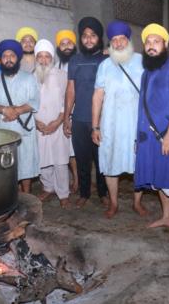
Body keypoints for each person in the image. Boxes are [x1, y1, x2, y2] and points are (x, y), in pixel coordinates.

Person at [135, 23, 169, 250]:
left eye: (156, 41)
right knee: (159, 179)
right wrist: (138, 138)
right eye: (148, 42)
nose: (151, 46)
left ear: (165, 44)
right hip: (149, 138)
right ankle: (167, 216)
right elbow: (142, 107)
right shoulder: (147, 72)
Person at [91, 20, 147, 218]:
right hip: (111, 124)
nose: (118, 43)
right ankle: (113, 204)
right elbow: (97, 96)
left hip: (136, 124)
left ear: (128, 40)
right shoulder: (105, 66)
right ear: (110, 43)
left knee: (138, 164)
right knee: (110, 164)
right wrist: (95, 127)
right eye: (114, 40)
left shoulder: (142, 61)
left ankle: (137, 203)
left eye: (122, 39)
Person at [63, 16, 108, 208]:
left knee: (101, 160)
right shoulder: (75, 61)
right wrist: (67, 117)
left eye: (93, 35)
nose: (89, 39)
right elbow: (70, 90)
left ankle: (103, 193)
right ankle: (84, 193)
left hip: (102, 120)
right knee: (82, 159)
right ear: (80, 39)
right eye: (85, 36)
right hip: (80, 118)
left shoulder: (106, 60)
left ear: (99, 38)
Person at [0, 39, 40, 193]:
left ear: (18, 58)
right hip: (2, 131)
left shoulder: (29, 78)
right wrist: (4, 110)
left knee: (26, 164)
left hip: (23, 129)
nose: (8, 59)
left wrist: (16, 111)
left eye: (12, 55)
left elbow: (35, 101)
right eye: (5, 56)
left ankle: (27, 197)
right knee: (6, 166)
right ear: (0, 59)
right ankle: (9, 199)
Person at [34, 39, 71, 208]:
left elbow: (68, 101)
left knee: (60, 160)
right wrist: (37, 121)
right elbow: (28, 101)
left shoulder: (62, 76)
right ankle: (48, 188)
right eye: (40, 56)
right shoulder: (30, 77)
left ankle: (63, 193)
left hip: (58, 125)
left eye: (47, 56)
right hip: (39, 125)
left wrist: (58, 122)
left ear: (52, 58)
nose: (43, 60)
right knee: (43, 160)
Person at [55, 29, 79, 194]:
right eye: (62, 44)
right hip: (60, 114)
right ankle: (72, 179)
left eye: (69, 43)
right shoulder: (55, 66)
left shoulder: (79, 62)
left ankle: (79, 179)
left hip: (77, 112)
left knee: (77, 150)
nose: (66, 47)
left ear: (74, 45)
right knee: (67, 150)